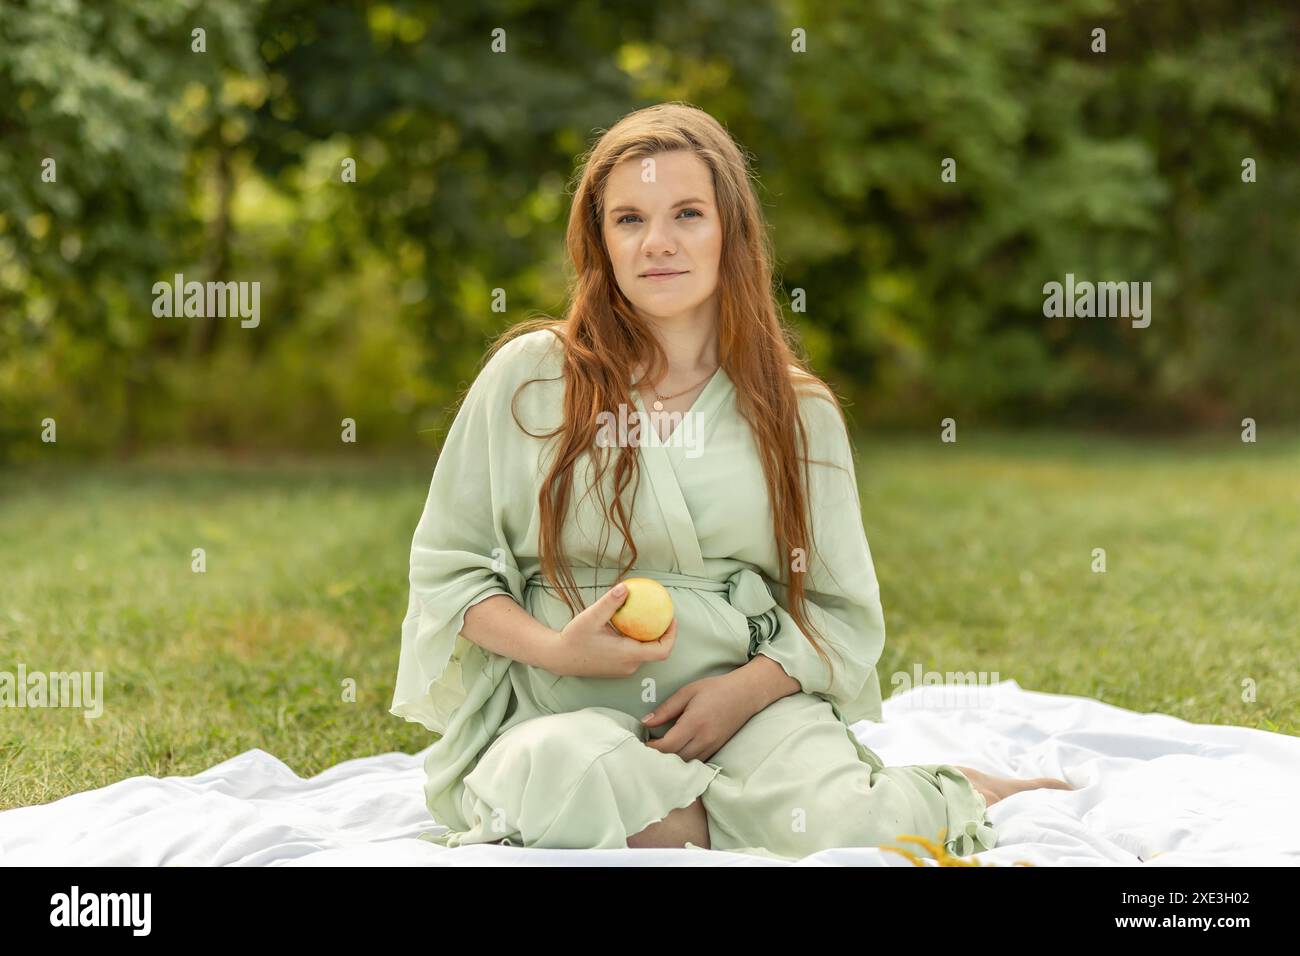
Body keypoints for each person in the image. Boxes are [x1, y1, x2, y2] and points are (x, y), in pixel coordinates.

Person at [389, 102, 1071, 861]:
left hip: (748, 710)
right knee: (557, 781)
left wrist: (740, 693)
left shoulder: (795, 411)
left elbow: (841, 615)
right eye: (628, 220)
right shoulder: (529, 380)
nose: (658, 243)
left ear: (730, 232)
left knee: (846, 833)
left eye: (687, 213)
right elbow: (451, 571)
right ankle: (754, 817)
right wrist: (557, 651)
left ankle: (950, 790)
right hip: (563, 712)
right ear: (599, 241)